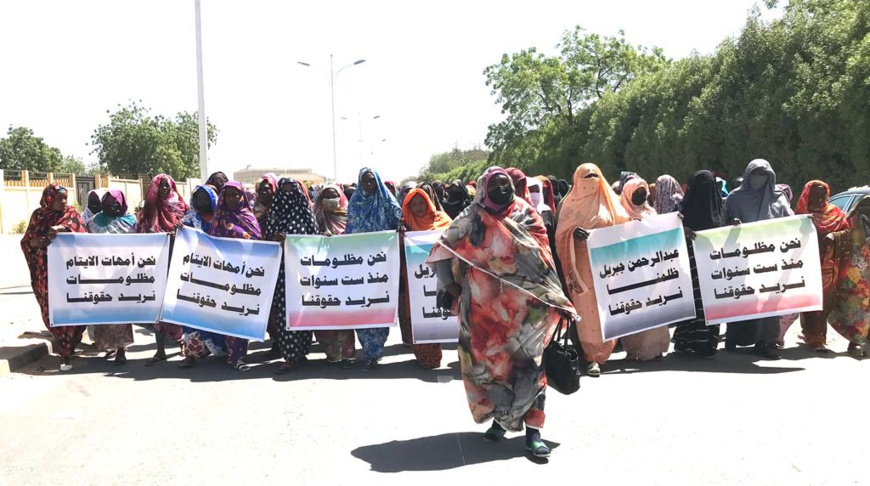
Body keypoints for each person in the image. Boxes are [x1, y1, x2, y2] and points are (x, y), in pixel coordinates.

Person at [426, 167, 577, 458]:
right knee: (493, 370)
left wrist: (557, 299)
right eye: (494, 185)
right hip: (485, 315)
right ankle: (499, 421)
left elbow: (543, 258)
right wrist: (450, 287)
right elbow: (441, 250)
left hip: (527, 311)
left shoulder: (526, 213)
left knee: (531, 368)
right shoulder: (471, 217)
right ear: (483, 188)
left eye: (504, 184)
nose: (501, 190)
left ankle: (534, 431)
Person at [555, 163, 629, 377]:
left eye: (595, 175)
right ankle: (593, 357)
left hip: (609, 264)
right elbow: (560, 236)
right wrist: (572, 234)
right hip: (582, 265)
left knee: (607, 306)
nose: (591, 180)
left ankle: (608, 348)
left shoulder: (611, 201)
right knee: (588, 312)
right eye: (586, 176)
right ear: (577, 180)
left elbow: (628, 224)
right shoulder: (568, 205)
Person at [724, 159, 794, 359]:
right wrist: (732, 222)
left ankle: (765, 342)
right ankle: (734, 337)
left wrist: (804, 222)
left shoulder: (778, 197)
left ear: (770, 176)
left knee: (768, 300)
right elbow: (722, 221)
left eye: (763, 174)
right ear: (748, 175)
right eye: (756, 174)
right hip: (741, 260)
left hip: (769, 259)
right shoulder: (735, 197)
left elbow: (789, 220)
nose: (759, 178)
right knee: (742, 299)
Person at [21, 184, 87, 371]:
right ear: (49, 199)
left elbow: (82, 233)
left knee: (70, 309)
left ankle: (66, 351)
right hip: (45, 276)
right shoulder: (38, 216)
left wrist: (62, 229)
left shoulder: (71, 214)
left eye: (66, 198)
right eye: (60, 198)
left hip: (69, 274)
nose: (64, 202)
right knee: (51, 310)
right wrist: (34, 242)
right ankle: (64, 344)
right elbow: (26, 241)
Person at [345, 168, 403, 371]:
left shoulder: (388, 203)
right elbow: (348, 234)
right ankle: (368, 352)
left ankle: (376, 350)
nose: (368, 185)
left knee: (379, 307)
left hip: (383, 265)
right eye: (364, 182)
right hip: (358, 269)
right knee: (361, 308)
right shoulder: (354, 205)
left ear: (377, 182)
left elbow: (399, 223)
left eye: (371, 181)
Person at [264, 178, 318, 374]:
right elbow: (267, 240)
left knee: (303, 310)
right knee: (284, 313)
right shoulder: (274, 214)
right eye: (284, 191)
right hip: (280, 273)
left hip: (302, 272)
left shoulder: (306, 212)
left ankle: (302, 352)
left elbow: (315, 238)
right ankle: (289, 357)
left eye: (291, 191)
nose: (288, 195)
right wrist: (276, 239)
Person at [673, 171, 727, 359]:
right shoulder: (682, 211)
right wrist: (682, 230)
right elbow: (669, 231)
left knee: (710, 303)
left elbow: (726, 233)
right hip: (691, 269)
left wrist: (735, 226)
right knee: (693, 303)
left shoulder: (721, 209)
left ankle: (706, 344)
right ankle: (685, 342)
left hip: (713, 267)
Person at [136, 174, 189, 366]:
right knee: (158, 309)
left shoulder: (182, 207)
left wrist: (181, 231)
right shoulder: (149, 210)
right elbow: (140, 232)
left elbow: (192, 229)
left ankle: (184, 343)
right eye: (161, 186)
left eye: (167, 186)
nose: (164, 189)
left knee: (179, 305)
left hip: (179, 264)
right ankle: (160, 350)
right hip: (156, 267)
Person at [618, 178, 671, 361]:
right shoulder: (619, 215)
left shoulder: (652, 213)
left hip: (652, 268)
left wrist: (676, 224)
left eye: (643, 192)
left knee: (655, 307)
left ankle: (657, 347)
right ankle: (636, 349)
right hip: (630, 272)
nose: (640, 196)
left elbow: (663, 234)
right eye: (636, 192)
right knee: (635, 309)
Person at [399, 188, 452, 369]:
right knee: (421, 313)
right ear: (408, 208)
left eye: (421, 203)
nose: (419, 208)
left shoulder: (442, 220)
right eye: (413, 205)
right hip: (417, 280)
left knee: (449, 311)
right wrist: (400, 237)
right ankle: (428, 357)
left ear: (428, 202)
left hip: (443, 276)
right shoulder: (406, 225)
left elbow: (456, 238)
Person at [86, 190, 136, 365]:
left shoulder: (131, 222)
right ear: (104, 203)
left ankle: (121, 350)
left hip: (123, 274)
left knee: (121, 313)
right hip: (100, 274)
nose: (114, 205)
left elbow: (143, 243)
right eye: (110, 202)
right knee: (104, 312)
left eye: (117, 202)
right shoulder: (94, 222)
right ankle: (110, 346)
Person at [310, 184, 357, 367]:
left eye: (334, 196)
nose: (331, 200)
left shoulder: (350, 216)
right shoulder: (315, 216)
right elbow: (305, 239)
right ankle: (330, 352)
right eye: (326, 196)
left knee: (344, 313)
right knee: (324, 311)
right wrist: (319, 237)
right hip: (320, 274)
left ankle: (347, 353)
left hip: (346, 273)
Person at [826, 196, 869, 358]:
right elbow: (841, 237)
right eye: (865, 207)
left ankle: (863, 340)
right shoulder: (850, 223)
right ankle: (854, 340)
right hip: (854, 276)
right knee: (854, 309)